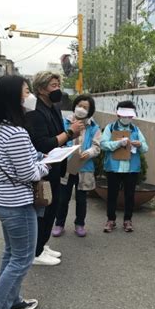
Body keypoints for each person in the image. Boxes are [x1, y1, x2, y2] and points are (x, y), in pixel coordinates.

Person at [0, 75, 49, 309]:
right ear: (15, 97)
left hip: (4, 202)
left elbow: (25, 159)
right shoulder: (17, 132)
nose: (29, 95)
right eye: (25, 90)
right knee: (22, 258)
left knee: (12, 254)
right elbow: (29, 173)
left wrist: (40, 157)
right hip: (18, 206)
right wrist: (48, 163)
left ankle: (12, 300)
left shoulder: (3, 127)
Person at [28, 71, 85, 266]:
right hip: (43, 169)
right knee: (44, 210)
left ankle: (42, 245)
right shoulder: (36, 111)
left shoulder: (54, 107)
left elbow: (57, 133)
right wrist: (70, 133)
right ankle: (35, 252)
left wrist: (68, 130)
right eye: (53, 85)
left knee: (52, 208)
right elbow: (44, 144)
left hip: (55, 166)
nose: (57, 89)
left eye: (58, 84)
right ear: (41, 89)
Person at [52, 94, 101, 237]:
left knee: (81, 199)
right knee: (63, 198)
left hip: (84, 168)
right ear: (75, 106)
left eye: (85, 107)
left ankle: (80, 224)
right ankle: (59, 224)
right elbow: (58, 141)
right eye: (80, 106)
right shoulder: (64, 123)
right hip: (66, 167)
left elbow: (97, 146)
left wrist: (90, 152)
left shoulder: (93, 127)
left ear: (90, 110)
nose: (81, 109)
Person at [100, 100, 148, 233]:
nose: (127, 118)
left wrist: (139, 145)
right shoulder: (111, 128)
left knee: (130, 195)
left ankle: (128, 220)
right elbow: (103, 144)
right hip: (114, 168)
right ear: (118, 114)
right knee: (112, 195)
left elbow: (145, 148)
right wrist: (118, 143)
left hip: (131, 168)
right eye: (124, 115)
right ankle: (111, 220)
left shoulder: (136, 130)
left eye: (129, 116)